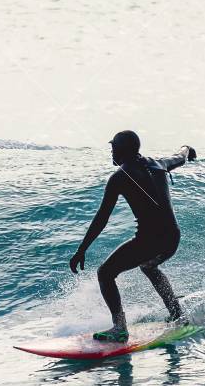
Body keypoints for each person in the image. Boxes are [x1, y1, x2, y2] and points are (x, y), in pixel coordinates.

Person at [69, 130, 198, 342]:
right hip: (172, 237)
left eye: (113, 148)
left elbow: (102, 218)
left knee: (105, 273)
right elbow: (181, 156)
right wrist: (187, 148)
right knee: (148, 266)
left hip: (150, 240)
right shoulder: (160, 164)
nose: (111, 152)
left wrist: (81, 250)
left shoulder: (119, 177)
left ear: (121, 151)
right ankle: (177, 313)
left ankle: (119, 328)